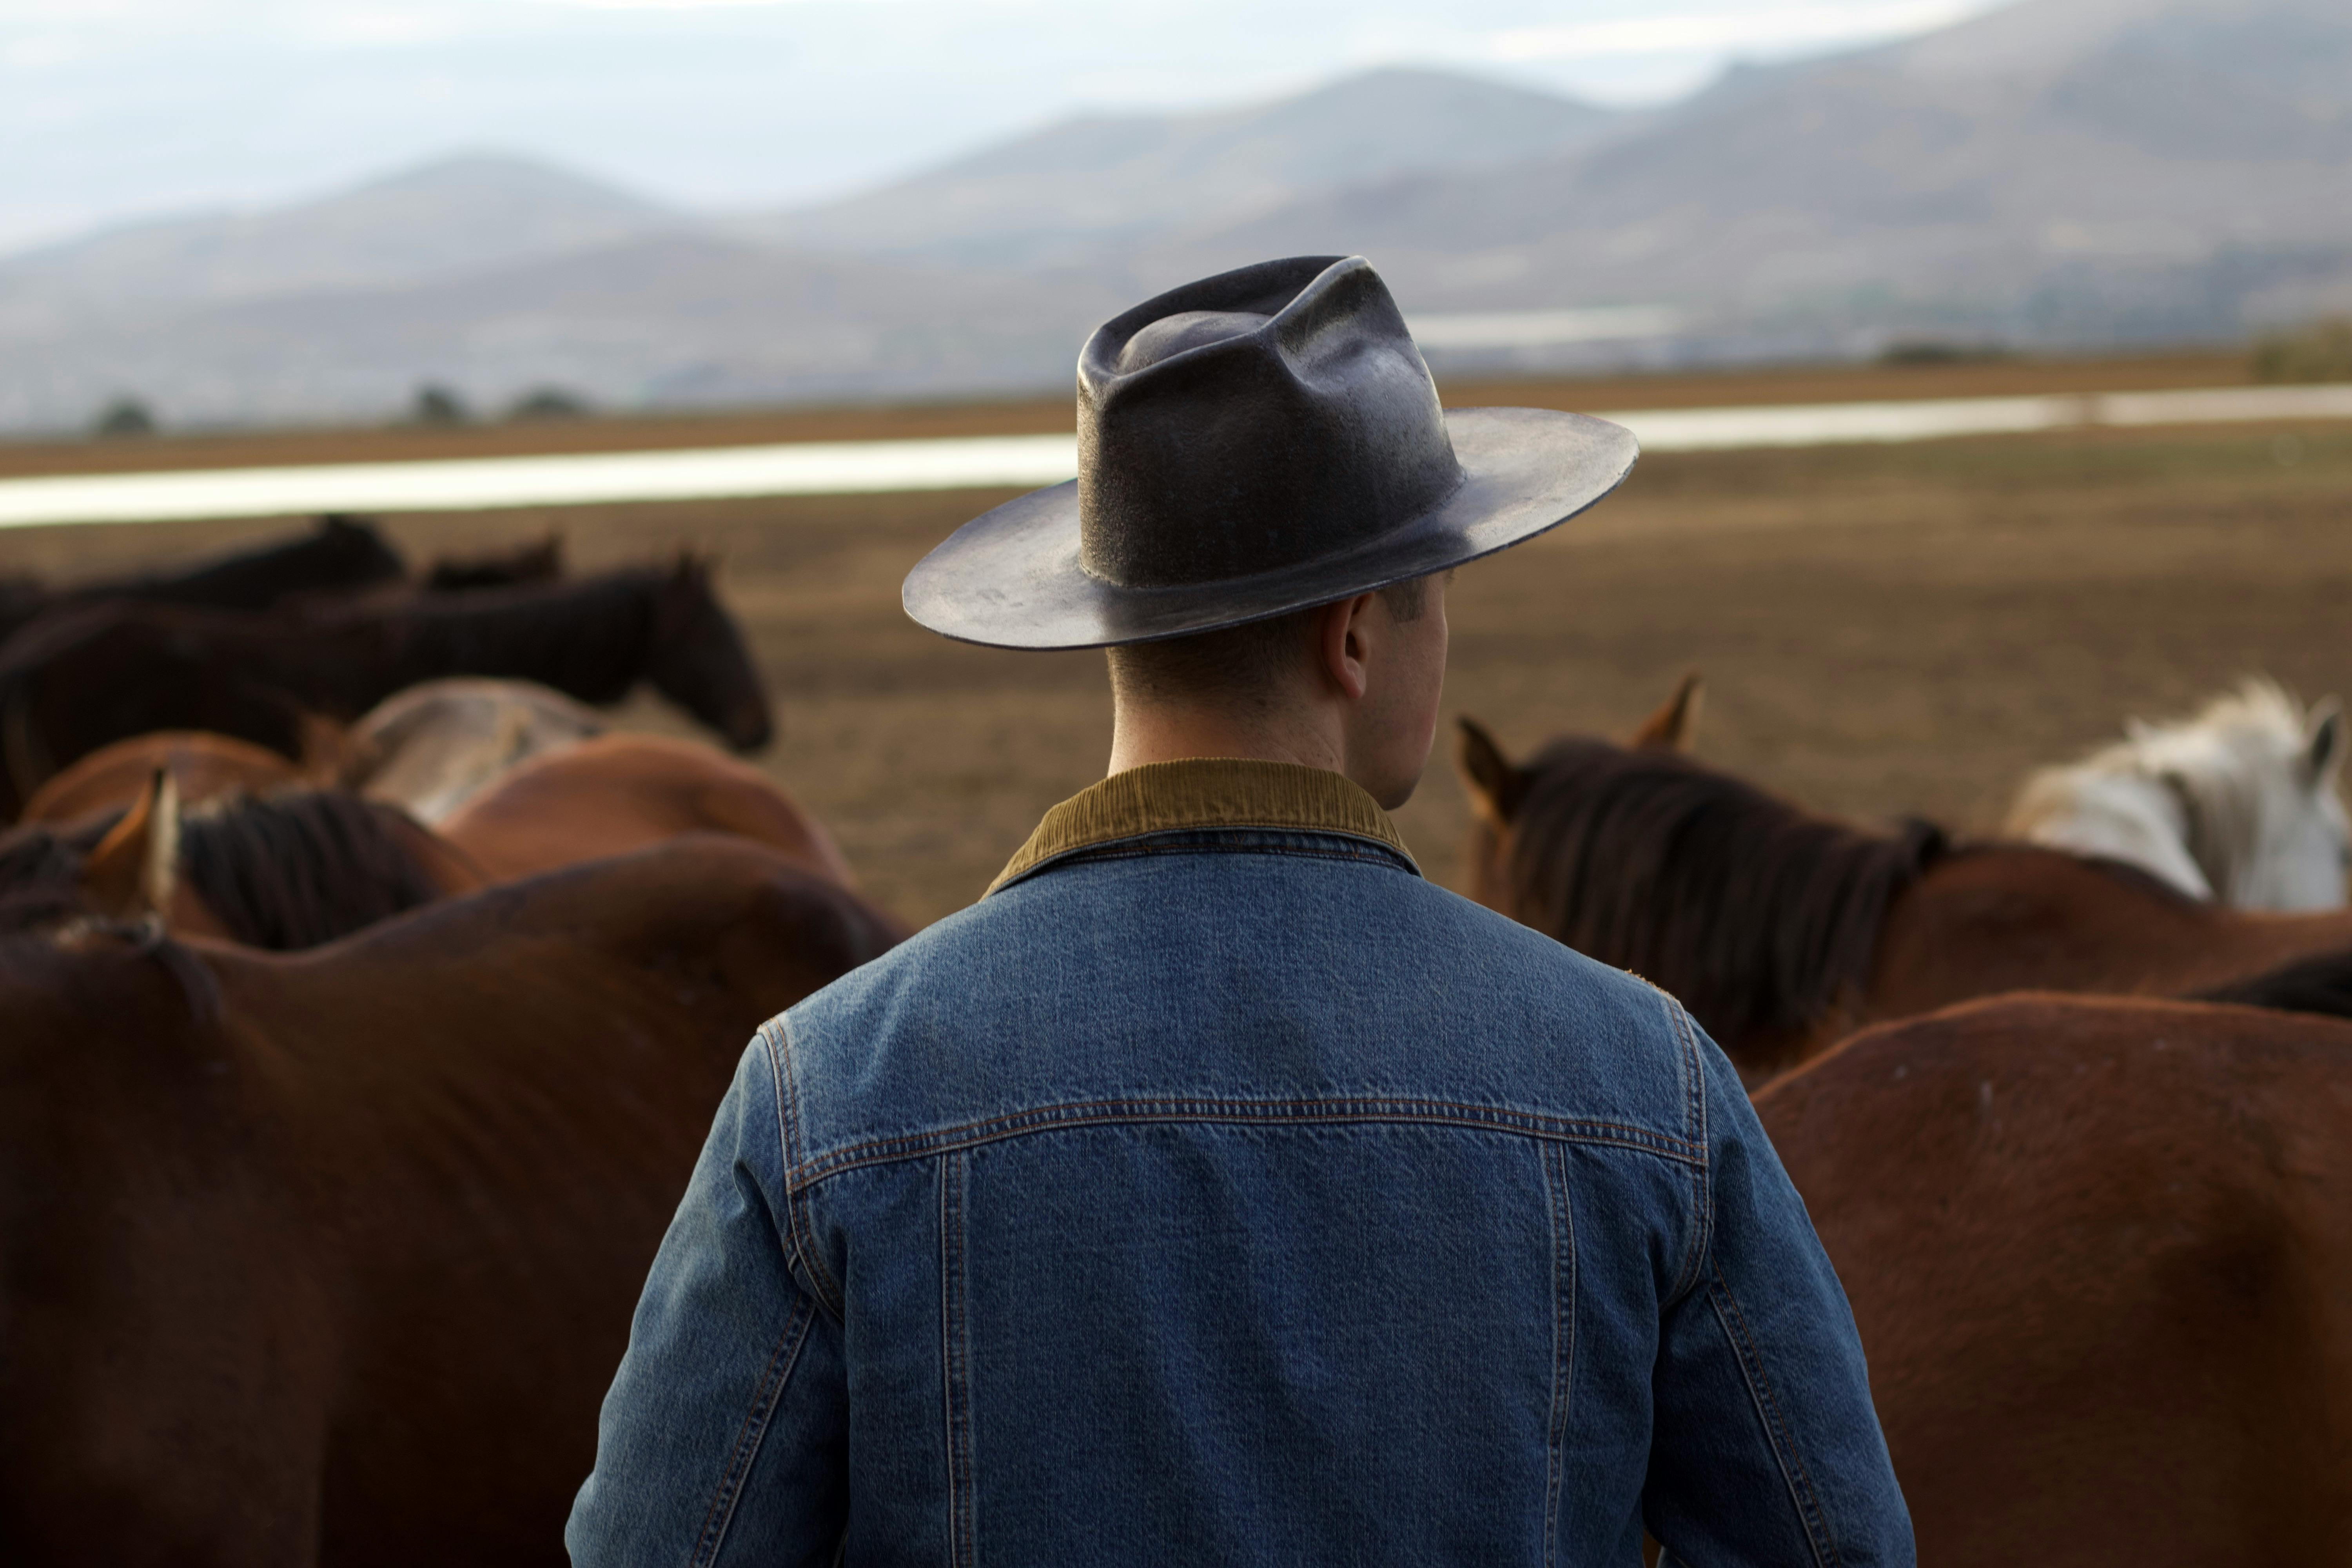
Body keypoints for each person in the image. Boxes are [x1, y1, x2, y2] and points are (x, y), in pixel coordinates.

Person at [566, 255, 1913, 1566]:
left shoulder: (826, 1095)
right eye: (1437, 591)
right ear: (1353, 635)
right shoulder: (1646, 1083)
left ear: (1110, 622)